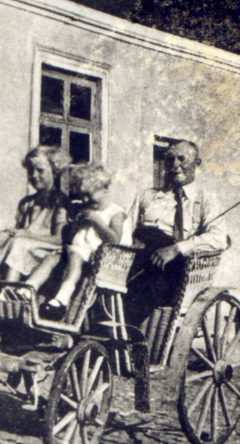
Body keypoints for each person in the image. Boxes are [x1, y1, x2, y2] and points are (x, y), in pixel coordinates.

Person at [125, 140, 229, 327]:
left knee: (142, 293)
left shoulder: (205, 199)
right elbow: (127, 229)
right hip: (138, 257)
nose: (174, 165)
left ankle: (134, 336)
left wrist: (175, 249)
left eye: (182, 159)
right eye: (170, 159)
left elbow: (219, 238)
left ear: (196, 164)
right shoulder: (148, 195)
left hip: (173, 266)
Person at [24, 164, 129, 321]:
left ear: (105, 190)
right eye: (82, 196)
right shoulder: (87, 210)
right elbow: (74, 237)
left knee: (75, 255)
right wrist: (77, 224)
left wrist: (97, 222)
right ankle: (29, 288)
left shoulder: (115, 213)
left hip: (102, 258)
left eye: (89, 195)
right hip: (79, 252)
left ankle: (62, 297)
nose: (85, 200)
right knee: (51, 258)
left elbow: (114, 239)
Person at [0, 146, 71, 285]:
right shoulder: (26, 203)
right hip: (25, 248)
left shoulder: (59, 200)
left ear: (55, 171)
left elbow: (59, 239)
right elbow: (18, 232)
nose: (34, 175)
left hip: (46, 251)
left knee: (18, 242)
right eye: (30, 170)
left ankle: (9, 289)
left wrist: (25, 234)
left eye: (40, 170)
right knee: (2, 237)